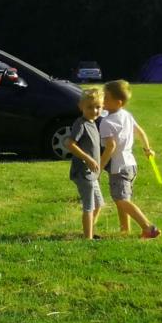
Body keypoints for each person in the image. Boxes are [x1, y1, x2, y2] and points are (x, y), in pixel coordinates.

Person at [98, 79, 161, 240]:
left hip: (118, 167)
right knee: (123, 199)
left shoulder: (107, 122)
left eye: (106, 98)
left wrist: (99, 166)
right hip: (131, 165)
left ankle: (148, 227)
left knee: (120, 199)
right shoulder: (126, 115)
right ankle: (124, 230)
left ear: (118, 102)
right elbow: (140, 132)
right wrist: (147, 149)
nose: (102, 100)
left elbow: (110, 147)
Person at [65, 86, 107, 240]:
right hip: (83, 172)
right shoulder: (81, 124)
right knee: (89, 206)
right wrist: (88, 158)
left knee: (99, 204)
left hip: (92, 174)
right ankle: (87, 238)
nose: (95, 111)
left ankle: (88, 231)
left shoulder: (93, 123)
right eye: (90, 107)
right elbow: (70, 144)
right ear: (80, 106)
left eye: (98, 107)